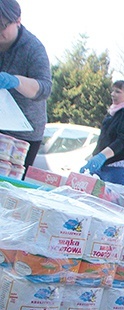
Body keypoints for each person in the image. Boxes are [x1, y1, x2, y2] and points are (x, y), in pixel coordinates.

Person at [0, 0, 52, 178]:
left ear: (18, 20)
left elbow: (45, 88)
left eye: (2, 25)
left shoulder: (33, 48)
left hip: (24, 135)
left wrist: (16, 81)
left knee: (9, 186)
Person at [80, 80, 124, 188]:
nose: (113, 94)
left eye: (118, 92)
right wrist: (94, 157)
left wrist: (102, 156)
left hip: (119, 169)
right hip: (102, 167)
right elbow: (103, 139)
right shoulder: (112, 112)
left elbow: (123, 139)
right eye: (113, 91)